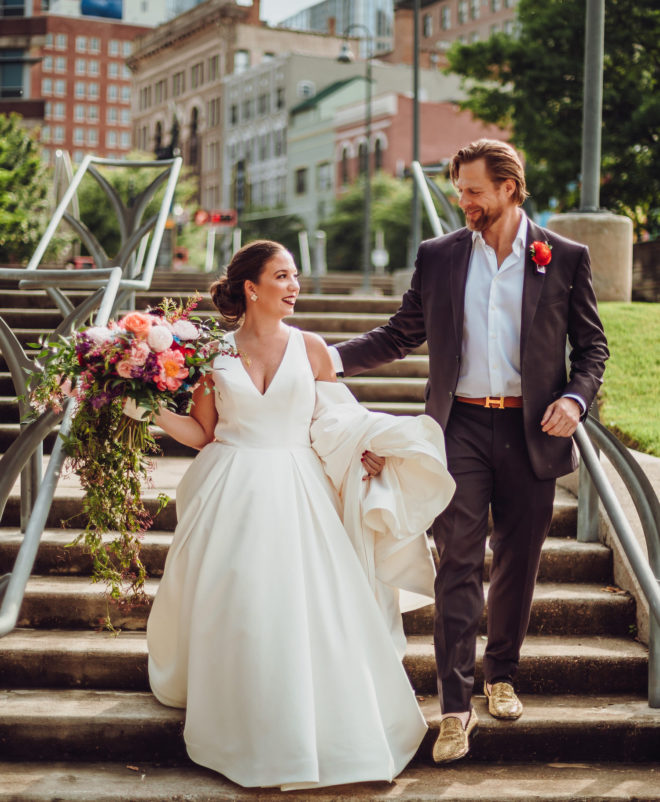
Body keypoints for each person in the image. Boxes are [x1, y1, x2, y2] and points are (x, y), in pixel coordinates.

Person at [332, 139, 609, 764]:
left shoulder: (563, 257)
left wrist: (575, 399)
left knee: (519, 559)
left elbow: (592, 349)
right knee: (457, 561)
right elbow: (402, 333)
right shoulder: (440, 256)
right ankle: (454, 709)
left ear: (510, 187)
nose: (465, 202)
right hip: (457, 430)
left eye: (474, 191)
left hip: (534, 429)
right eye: (460, 191)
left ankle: (501, 674)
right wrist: (326, 358)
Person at [142, 240, 456, 790]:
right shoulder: (213, 353)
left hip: (299, 489)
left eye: (295, 277)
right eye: (283, 276)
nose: (294, 287)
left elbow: (336, 418)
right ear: (251, 287)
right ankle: (241, 718)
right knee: (238, 603)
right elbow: (203, 433)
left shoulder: (311, 349)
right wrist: (144, 408)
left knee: (306, 604)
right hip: (231, 488)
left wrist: (365, 447)